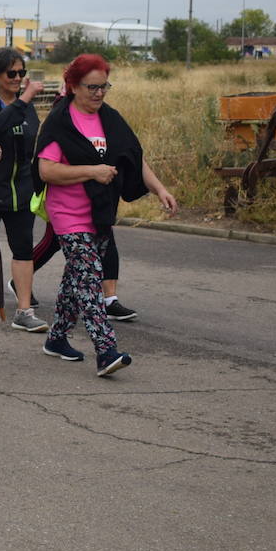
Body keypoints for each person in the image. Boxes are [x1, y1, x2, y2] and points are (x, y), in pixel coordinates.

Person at [34, 54, 177, 377]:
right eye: (92, 87)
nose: (99, 94)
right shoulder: (60, 120)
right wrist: (92, 172)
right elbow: (46, 170)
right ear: (73, 86)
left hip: (99, 214)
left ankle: (56, 339)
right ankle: (105, 350)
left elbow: (133, 158)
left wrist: (160, 190)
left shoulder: (110, 119)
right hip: (67, 214)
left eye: (104, 87)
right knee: (89, 276)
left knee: (76, 279)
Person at [0, 47, 49, 333]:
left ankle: (24, 311)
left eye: (21, 73)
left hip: (21, 192)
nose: (17, 78)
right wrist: (25, 98)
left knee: (23, 248)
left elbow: (31, 143)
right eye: (11, 73)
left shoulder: (25, 107)